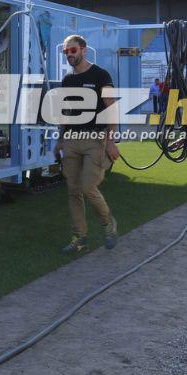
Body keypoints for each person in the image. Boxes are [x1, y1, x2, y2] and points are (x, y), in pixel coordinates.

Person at [54, 34, 120, 255]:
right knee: (73, 191)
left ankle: (108, 224)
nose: (69, 55)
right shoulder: (67, 80)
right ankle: (80, 237)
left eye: (72, 51)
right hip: (72, 139)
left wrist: (110, 141)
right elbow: (66, 113)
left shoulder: (101, 75)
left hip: (95, 140)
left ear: (83, 50)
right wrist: (60, 140)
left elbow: (112, 108)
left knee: (88, 188)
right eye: (66, 52)